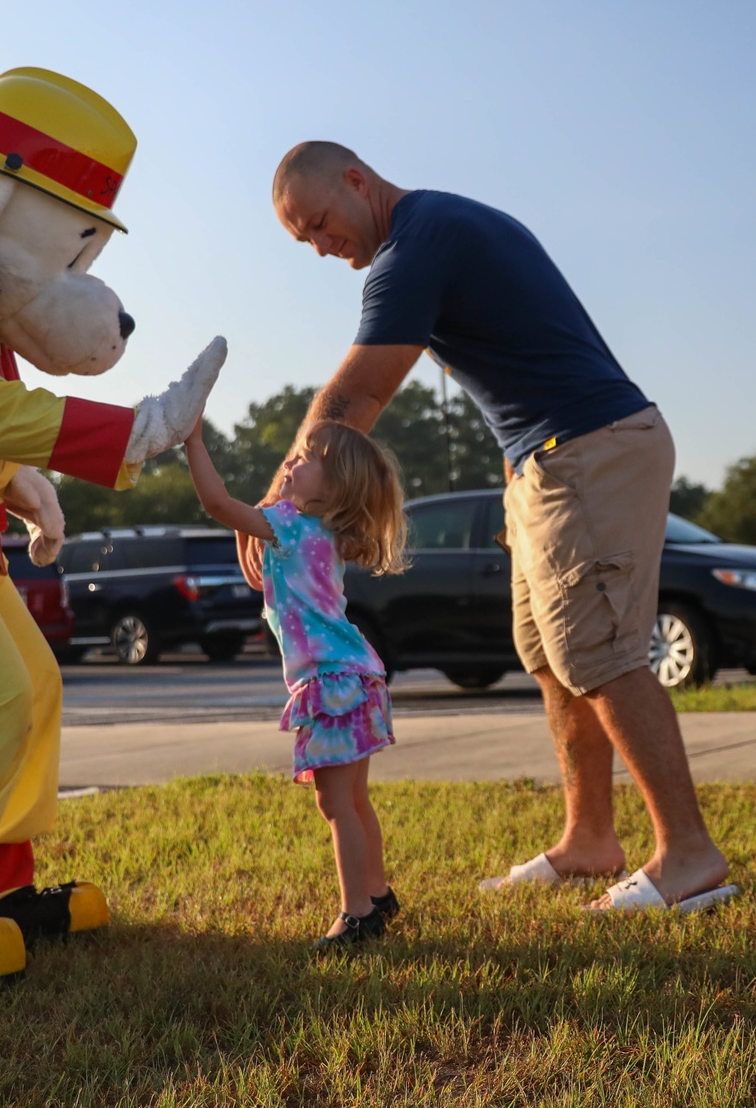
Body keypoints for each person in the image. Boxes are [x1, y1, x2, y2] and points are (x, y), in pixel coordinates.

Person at [238, 139, 735, 915]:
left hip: (590, 448)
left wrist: (275, 505)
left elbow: (351, 406)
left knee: (598, 653)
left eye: (321, 224)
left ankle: (690, 855)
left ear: (358, 182)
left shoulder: (415, 246)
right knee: (548, 653)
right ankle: (588, 841)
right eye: (306, 240)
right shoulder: (434, 231)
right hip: (541, 461)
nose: (323, 247)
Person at [184, 415, 408, 949]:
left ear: (334, 486)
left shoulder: (288, 525)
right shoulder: (319, 533)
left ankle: (356, 915)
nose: (291, 461)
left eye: (305, 458)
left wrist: (192, 440)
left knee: (336, 807)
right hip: (358, 677)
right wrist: (255, 517)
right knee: (355, 800)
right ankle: (376, 896)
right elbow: (256, 567)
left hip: (332, 683)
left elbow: (217, 503)